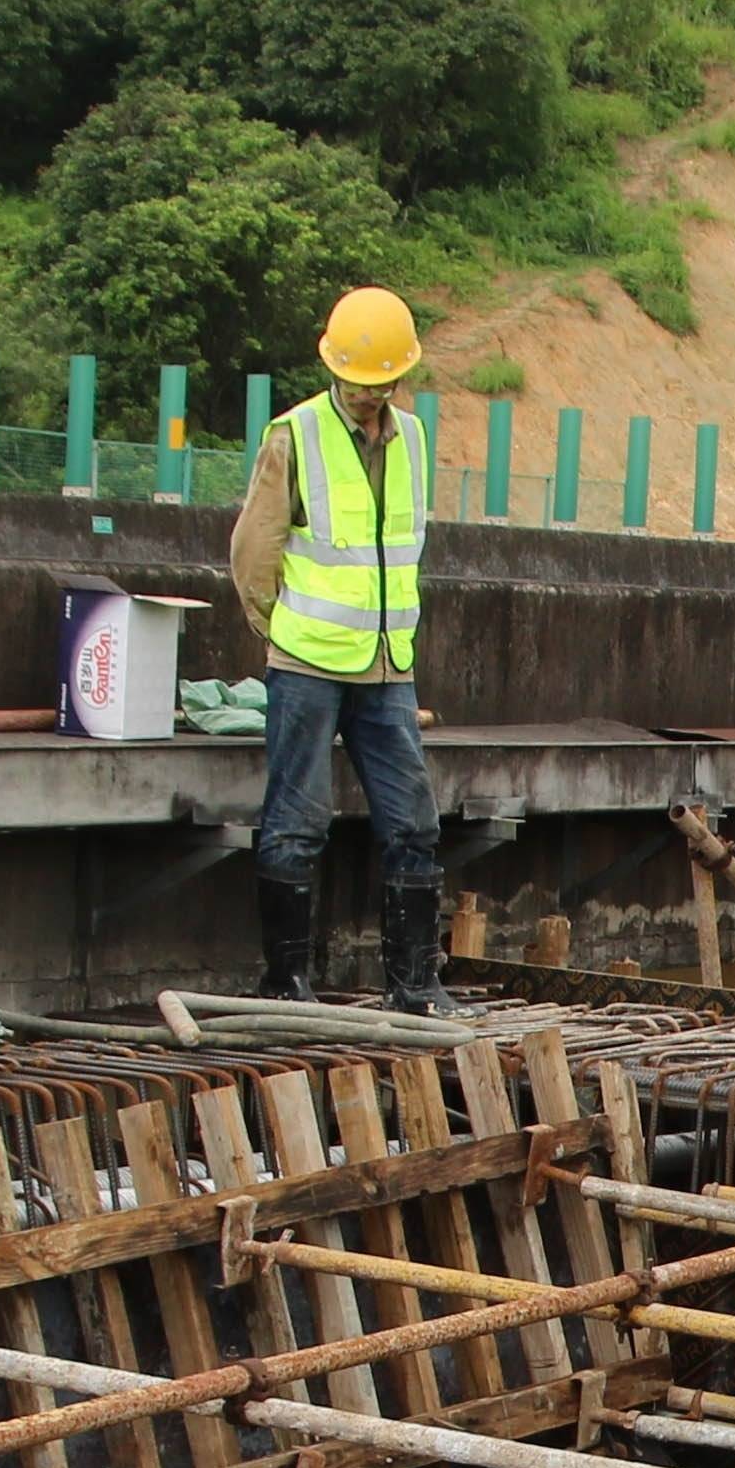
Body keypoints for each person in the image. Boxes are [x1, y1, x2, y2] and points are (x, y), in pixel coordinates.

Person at [223, 287, 455, 1015]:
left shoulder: (413, 439)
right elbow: (252, 555)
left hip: (388, 667)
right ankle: (287, 982)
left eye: (381, 382)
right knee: (298, 821)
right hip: (307, 667)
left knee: (414, 822)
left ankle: (415, 985)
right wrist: (283, 636)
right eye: (358, 382)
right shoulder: (295, 436)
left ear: (399, 377)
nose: (367, 395)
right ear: (334, 370)